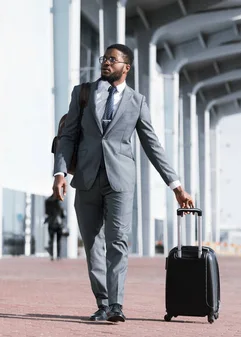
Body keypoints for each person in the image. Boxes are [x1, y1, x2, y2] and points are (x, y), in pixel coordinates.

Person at [52, 44, 194, 323]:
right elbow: (68, 136)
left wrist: (176, 186)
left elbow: (153, 145)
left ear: (126, 67)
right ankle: (103, 303)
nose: (105, 63)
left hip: (120, 181)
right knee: (93, 244)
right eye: (103, 58)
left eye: (112, 60)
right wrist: (59, 173)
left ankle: (116, 304)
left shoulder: (137, 102)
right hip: (87, 180)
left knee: (117, 242)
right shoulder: (83, 93)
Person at [44, 194, 66, 260]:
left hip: (51, 223)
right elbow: (63, 215)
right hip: (58, 224)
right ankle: (58, 256)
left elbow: (46, 212)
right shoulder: (59, 203)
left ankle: (52, 255)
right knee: (58, 241)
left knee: (51, 240)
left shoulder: (48, 202)